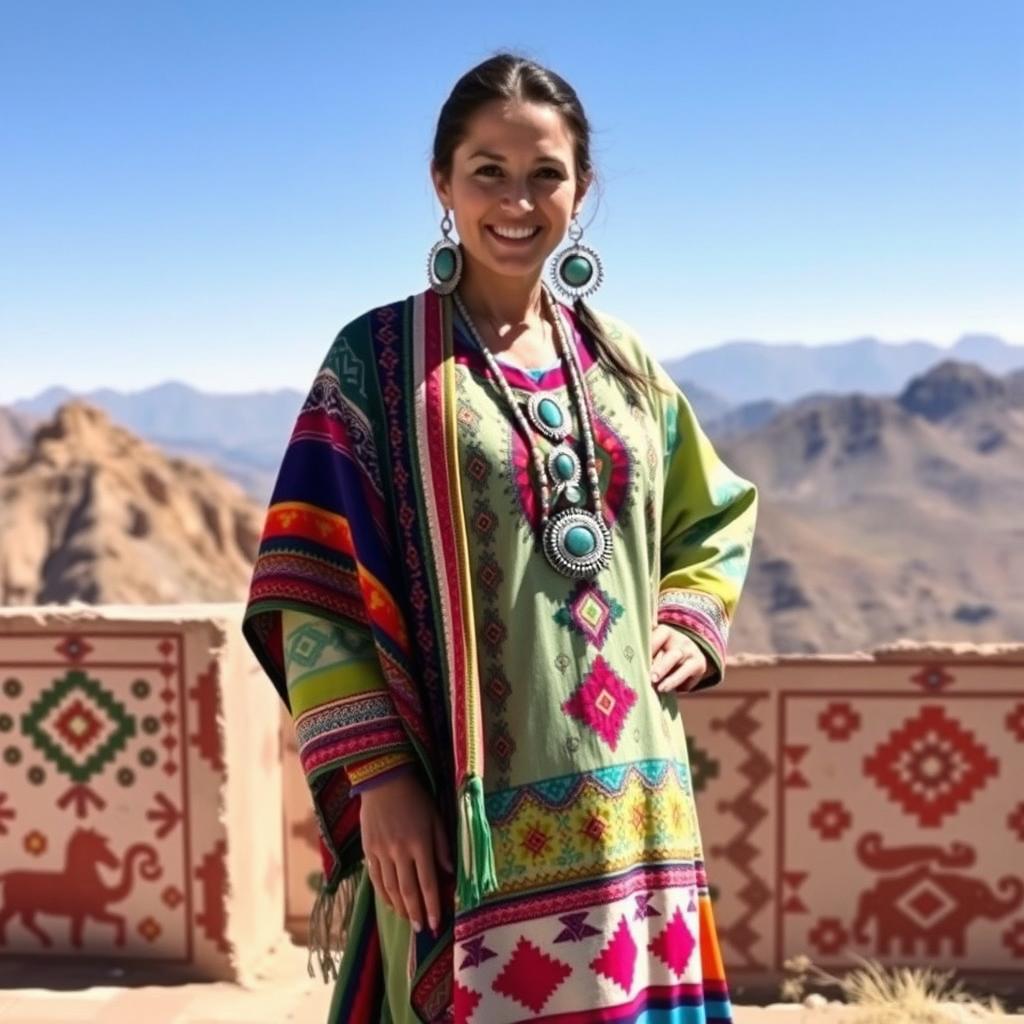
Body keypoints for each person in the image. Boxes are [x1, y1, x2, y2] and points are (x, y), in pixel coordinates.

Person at [243, 51, 758, 1024]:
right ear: (442, 183)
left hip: (634, 809)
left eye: (545, 175)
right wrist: (381, 777)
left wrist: (691, 618)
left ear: (582, 188)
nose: (517, 201)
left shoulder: (621, 361)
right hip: (469, 821)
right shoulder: (376, 364)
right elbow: (310, 582)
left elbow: (713, 508)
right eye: (488, 171)